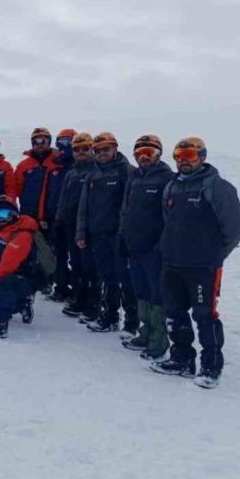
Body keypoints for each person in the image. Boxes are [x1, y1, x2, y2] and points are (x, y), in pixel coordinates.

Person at [150, 137, 240, 389]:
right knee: (175, 313)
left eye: (190, 155)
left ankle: (211, 365)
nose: (184, 161)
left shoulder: (217, 187)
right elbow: (167, 220)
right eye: (179, 155)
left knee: (205, 316)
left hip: (203, 267)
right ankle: (182, 358)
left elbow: (235, 226)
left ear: (202, 157)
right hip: (172, 263)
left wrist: (215, 255)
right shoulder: (171, 186)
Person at [118, 135, 175, 359]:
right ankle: (145, 332)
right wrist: (123, 236)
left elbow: (171, 216)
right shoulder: (134, 178)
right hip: (135, 245)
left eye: (149, 153)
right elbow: (126, 210)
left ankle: (158, 340)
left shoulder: (167, 178)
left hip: (154, 248)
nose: (144, 157)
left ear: (159, 154)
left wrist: (162, 243)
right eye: (139, 153)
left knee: (156, 294)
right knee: (140, 291)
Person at [76, 132, 137, 334]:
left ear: (115, 149)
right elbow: (83, 207)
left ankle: (131, 322)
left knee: (126, 279)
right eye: (98, 150)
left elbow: (131, 206)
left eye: (106, 149)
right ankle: (110, 316)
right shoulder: (93, 174)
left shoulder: (127, 172)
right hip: (98, 235)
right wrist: (81, 232)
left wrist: (125, 233)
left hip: (120, 236)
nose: (102, 153)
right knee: (108, 277)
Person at [0, 197, 42, 339]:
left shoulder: (22, 235)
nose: (1, 219)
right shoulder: (2, 230)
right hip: (5, 276)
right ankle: (21, 304)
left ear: (14, 214)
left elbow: (7, 266)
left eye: (5, 214)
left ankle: (1, 323)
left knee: (6, 281)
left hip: (24, 279)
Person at [57, 133, 99, 322]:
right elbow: (63, 198)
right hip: (70, 225)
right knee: (76, 264)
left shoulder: (96, 172)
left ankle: (94, 303)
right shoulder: (72, 173)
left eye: (85, 148)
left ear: (92, 149)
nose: (81, 152)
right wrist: (59, 218)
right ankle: (79, 298)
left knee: (91, 268)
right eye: (77, 149)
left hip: (91, 228)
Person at [48, 129, 77, 300]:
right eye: (62, 143)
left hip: (75, 219)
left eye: (69, 142)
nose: (65, 146)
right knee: (58, 255)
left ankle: (77, 291)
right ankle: (61, 287)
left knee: (76, 258)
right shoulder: (54, 166)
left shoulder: (82, 166)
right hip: (54, 217)